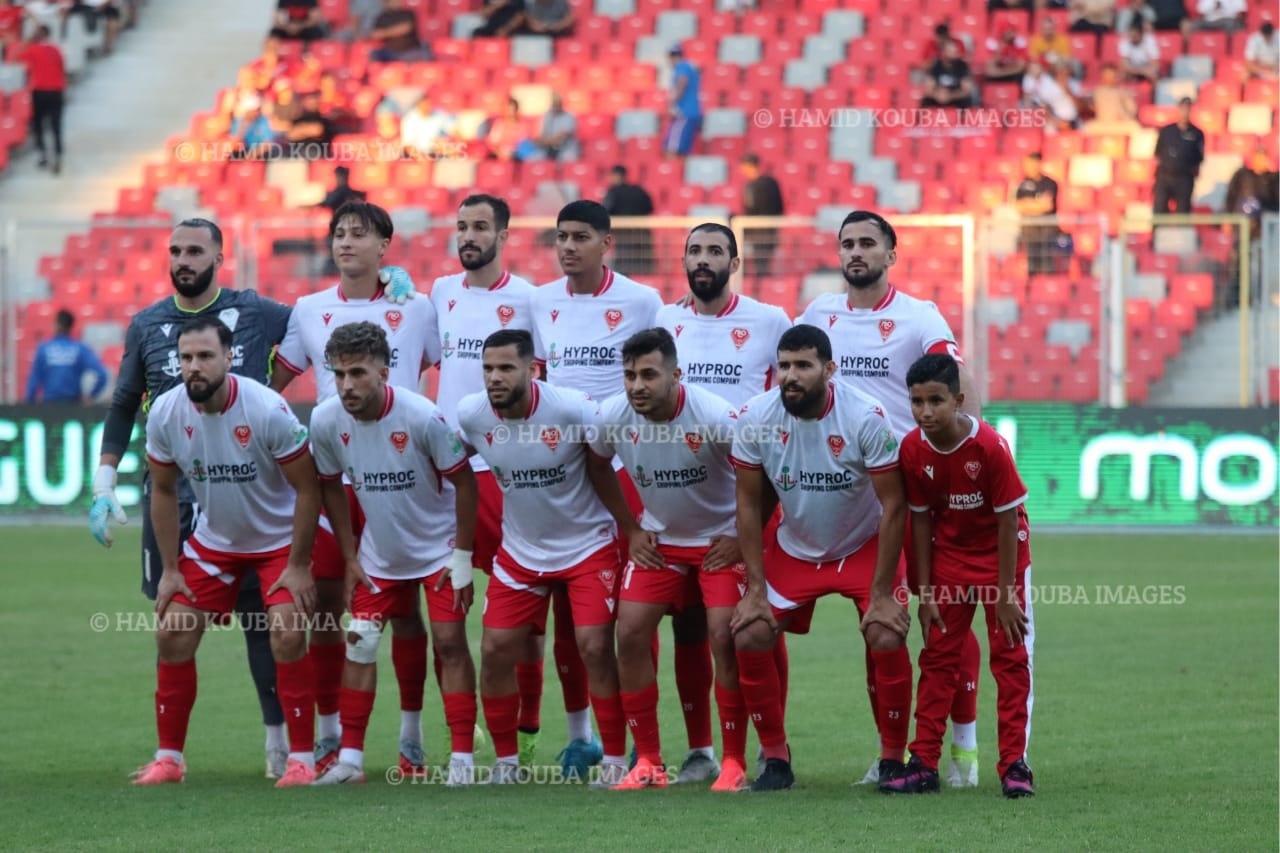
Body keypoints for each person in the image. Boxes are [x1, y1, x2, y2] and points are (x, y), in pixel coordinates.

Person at [88, 218, 292, 779]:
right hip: (173, 493)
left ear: (219, 258)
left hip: (246, 490)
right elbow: (124, 402)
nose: (183, 260)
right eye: (175, 250)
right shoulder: (147, 323)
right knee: (172, 619)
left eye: (195, 251)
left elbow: (323, 325)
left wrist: (379, 285)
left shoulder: (256, 311)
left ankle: (278, 740)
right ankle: (170, 753)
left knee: (260, 618)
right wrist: (104, 482)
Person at [798, 210, 987, 788]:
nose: (856, 252)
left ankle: (964, 749)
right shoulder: (818, 314)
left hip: (912, 490)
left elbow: (956, 379)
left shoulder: (918, 316)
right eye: (847, 243)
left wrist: (972, 449)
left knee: (943, 615)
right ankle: (890, 752)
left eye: (867, 243)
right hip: (845, 495)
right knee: (876, 621)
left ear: (891, 254)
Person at [270, 201, 440, 778]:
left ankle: (411, 739)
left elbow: (452, 361)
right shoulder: (309, 309)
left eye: (359, 234)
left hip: (402, 479)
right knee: (326, 609)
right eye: (338, 233)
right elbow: (274, 383)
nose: (345, 242)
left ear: (384, 245)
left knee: (408, 612)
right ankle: (329, 736)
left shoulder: (417, 306)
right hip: (337, 477)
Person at [130, 317, 326, 787]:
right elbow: (162, 490)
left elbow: (309, 488)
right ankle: (169, 760)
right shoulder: (166, 412)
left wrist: (299, 565)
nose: (194, 367)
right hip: (216, 543)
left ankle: (301, 760)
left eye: (205, 356)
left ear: (229, 358)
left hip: (279, 541)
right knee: (172, 630)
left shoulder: (266, 408)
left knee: (286, 633)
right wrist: (170, 570)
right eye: (186, 358)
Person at [728, 324, 913, 792]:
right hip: (796, 547)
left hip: (862, 544)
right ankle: (775, 759)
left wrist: (882, 593)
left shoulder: (865, 416)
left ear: (829, 369)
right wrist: (753, 590)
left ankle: (893, 758)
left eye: (803, 366)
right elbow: (747, 503)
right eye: (784, 366)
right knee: (749, 631)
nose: (791, 376)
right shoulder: (755, 417)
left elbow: (895, 504)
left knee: (885, 632)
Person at [456, 329, 631, 787]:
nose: (494, 378)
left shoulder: (572, 409)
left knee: (594, 646)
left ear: (533, 370)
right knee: (494, 649)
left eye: (505, 368)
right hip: (520, 552)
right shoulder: (472, 414)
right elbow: (451, 465)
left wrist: (632, 527)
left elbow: (610, 460)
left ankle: (615, 759)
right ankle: (507, 764)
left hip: (587, 545)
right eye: (487, 369)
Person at [309, 322, 480, 786]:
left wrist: (462, 556)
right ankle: (350, 761)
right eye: (339, 374)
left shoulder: (422, 416)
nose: (346, 385)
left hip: (438, 551)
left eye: (357, 373)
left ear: (384, 372)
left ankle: (462, 760)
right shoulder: (325, 420)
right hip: (379, 555)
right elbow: (331, 487)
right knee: (360, 641)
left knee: (449, 642)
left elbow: (465, 482)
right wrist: (350, 557)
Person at [529, 199, 663, 778]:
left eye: (580, 237)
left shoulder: (641, 301)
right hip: (567, 472)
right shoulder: (540, 301)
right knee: (571, 609)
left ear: (607, 244)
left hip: (626, 469)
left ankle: (641, 740)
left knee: (634, 608)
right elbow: (540, 379)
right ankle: (582, 737)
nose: (568, 246)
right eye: (561, 236)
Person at [656, 224, 795, 780]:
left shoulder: (770, 321)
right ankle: (700, 750)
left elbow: (785, 404)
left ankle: (771, 745)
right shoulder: (664, 321)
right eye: (695, 250)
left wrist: (751, 522)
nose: (703, 259)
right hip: (683, 498)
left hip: (751, 496)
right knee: (687, 626)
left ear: (734, 263)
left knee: (756, 621)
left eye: (715, 251)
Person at [588, 328, 752, 792]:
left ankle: (733, 761)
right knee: (629, 632)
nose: (637, 386)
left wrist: (741, 538)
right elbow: (596, 464)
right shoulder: (613, 416)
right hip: (660, 541)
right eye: (629, 376)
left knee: (723, 635)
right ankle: (649, 761)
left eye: (648, 375)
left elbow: (759, 475)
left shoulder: (715, 416)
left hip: (717, 541)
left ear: (676, 375)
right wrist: (631, 527)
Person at [880, 353, 1034, 799]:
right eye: (917, 402)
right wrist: (925, 593)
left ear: (958, 401)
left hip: (1000, 559)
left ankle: (1014, 766)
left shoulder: (990, 447)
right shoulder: (913, 449)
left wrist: (1005, 594)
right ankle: (923, 764)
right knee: (938, 660)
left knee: (1010, 660)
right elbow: (920, 520)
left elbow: (1009, 520)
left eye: (936, 401)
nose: (925, 412)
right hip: (949, 558)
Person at [428, 194, 546, 767]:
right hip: (446, 472)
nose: (468, 235)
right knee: (446, 616)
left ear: (503, 234)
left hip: (504, 470)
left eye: (480, 226)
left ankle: (527, 728)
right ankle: (463, 731)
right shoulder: (438, 292)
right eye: (461, 226)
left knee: (524, 616)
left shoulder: (529, 299)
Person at [25, 309, 108, 403]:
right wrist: (92, 395)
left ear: (57, 324)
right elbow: (102, 375)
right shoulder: (80, 349)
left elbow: (34, 380)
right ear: (71, 326)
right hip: (73, 405)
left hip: (49, 405)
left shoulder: (44, 349)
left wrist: (30, 403)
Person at [20, 25, 65, 174]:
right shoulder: (56, 49)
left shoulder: (33, 49)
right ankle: (57, 155)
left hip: (39, 91)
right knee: (56, 125)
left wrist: (27, 42)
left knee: (38, 125)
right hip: (56, 91)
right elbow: (62, 69)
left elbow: (18, 59)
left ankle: (43, 155)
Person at [1153, 97, 1204, 215]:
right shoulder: (1167, 131)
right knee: (1159, 208)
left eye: (1188, 109)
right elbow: (1158, 153)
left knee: (1183, 211)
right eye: (1183, 109)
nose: (1185, 112)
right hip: (1165, 176)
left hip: (1184, 177)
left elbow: (1199, 157)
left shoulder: (1197, 133)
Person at [1014, 153, 1063, 276]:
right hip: (1030, 228)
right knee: (1031, 259)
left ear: (1038, 164)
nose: (1028, 167)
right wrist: (1037, 204)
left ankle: (1048, 283)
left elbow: (1047, 206)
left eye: (1031, 164)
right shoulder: (1022, 184)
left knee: (1046, 258)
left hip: (1046, 229)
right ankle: (1032, 282)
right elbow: (1019, 207)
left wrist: (1029, 204)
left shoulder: (1050, 183)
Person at [602, 165, 656, 277]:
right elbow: (650, 208)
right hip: (642, 234)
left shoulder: (613, 192)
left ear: (617, 176)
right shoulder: (639, 190)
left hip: (624, 236)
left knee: (624, 270)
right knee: (643, 270)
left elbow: (606, 212)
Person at [740, 154, 784, 278]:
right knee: (759, 262)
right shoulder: (766, 183)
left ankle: (762, 284)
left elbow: (777, 206)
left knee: (762, 262)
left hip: (763, 230)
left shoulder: (765, 184)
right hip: (760, 230)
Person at [663, 45, 703, 159]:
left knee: (672, 148)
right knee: (683, 151)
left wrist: (671, 104)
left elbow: (682, 84)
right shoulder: (689, 67)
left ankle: (671, 170)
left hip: (684, 113)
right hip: (692, 112)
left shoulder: (682, 67)